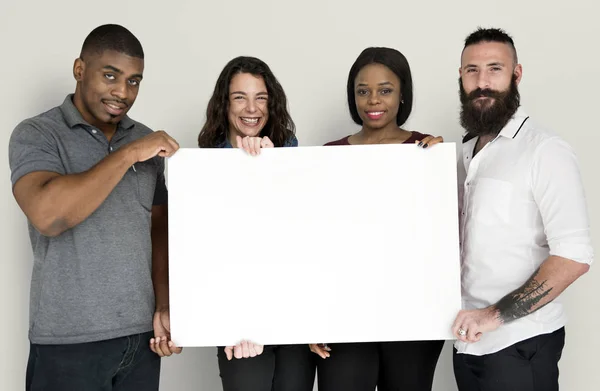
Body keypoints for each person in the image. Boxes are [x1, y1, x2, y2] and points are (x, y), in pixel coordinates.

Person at [9, 24, 182, 391]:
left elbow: (158, 230)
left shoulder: (143, 137)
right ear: (79, 70)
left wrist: (163, 306)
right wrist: (129, 154)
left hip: (140, 341)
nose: (123, 92)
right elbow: (48, 215)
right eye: (110, 76)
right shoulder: (37, 134)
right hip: (67, 342)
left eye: (134, 81)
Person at [451, 27, 593, 391]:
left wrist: (494, 315)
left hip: (521, 343)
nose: (482, 82)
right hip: (468, 344)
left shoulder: (545, 150)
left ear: (517, 74)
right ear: (461, 77)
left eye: (495, 69)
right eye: (472, 70)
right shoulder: (464, 153)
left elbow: (574, 258)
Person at [310, 47, 444, 391]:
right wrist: (312, 315)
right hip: (346, 311)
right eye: (362, 91)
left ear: (402, 96)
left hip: (413, 311)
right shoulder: (330, 156)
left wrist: (439, 168)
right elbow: (317, 243)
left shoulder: (427, 152)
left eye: (385, 90)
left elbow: (440, 234)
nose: (373, 100)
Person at [197, 56, 315, 391]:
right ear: (224, 104)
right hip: (239, 326)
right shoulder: (203, 165)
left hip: (292, 317)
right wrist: (236, 322)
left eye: (260, 97)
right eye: (239, 97)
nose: (252, 108)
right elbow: (210, 253)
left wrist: (270, 169)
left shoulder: (290, 153)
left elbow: (302, 238)